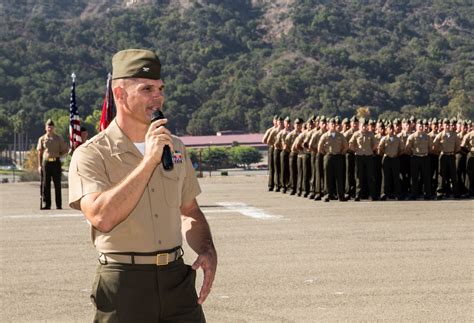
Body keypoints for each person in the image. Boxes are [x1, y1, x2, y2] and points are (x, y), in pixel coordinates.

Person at [68, 49, 217, 322]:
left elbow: (190, 212)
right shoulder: (91, 154)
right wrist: (148, 160)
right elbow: (102, 217)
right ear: (120, 94)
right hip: (124, 282)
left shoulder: (175, 147)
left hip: (176, 279)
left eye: (160, 88)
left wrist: (207, 249)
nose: (158, 96)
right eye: (147, 88)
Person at [37, 119, 68, 209]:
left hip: (56, 162)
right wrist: (39, 165)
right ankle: (47, 204)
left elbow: (65, 150)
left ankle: (59, 205)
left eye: (51, 126)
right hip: (46, 163)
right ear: (45, 128)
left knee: (57, 184)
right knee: (46, 184)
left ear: (54, 128)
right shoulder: (42, 139)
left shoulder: (58, 138)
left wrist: (58, 155)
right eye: (48, 126)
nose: (49, 128)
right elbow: (39, 152)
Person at [318, 118, 348, 202]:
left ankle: (340, 195)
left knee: (339, 177)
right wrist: (326, 153)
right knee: (328, 176)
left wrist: (341, 153)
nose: (334, 125)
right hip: (329, 157)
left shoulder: (340, 135)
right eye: (332, 124)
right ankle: (328, 194)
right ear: (328, 125)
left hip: (338, 156)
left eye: (335, 124)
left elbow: (346, 146)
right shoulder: (325, 135)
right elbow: (319, 147)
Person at [349, 118, 378, 201]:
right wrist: (356, 150)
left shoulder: (370, 134)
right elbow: (350, 144)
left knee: (370, 176)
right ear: (360, 126)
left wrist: (370, 150)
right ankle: (358, 194)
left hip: (368, 156)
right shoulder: (356, 134)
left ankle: (372, 195)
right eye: (363, 126)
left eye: (365, 126)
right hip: (359, 156)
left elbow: (376, 144)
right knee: (359, 176)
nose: (364, 127)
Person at [433, 118, 461, 199]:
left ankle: (456, 192)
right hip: (443, 156)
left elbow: (458, 146)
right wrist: (440, 151)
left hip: (451, 155)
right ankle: (440, 192)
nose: (447, 126)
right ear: (442, 125)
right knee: (441, 174)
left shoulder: (454, 135)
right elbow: (434, 146)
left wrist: (453, 152)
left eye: (448, 124)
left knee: (453, 174)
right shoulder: (440, 135)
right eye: (445, 124)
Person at [406, 119, 432, 200]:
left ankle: (427, 194)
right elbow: (408, 148)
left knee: (426, 177)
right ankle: (414, 194)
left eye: (422, 126)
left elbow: (430, 147)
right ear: (416, 127)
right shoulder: (412, 136)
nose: (421, 128)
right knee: (414, 177)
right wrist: (413, 154)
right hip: (415, 157)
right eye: (419, 126)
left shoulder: (427, 136)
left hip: (425, 157)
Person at [378, 123, 403, 200]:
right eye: (389, 128)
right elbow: (380, 149)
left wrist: (396, 155)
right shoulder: (384, 139)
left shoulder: (398, 139)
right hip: (387, 159)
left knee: (396, 177)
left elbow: (401, 149)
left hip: (395, 159)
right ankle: (384, 193)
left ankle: (397, 194)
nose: (391, 130)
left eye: (392, 128)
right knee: (386, 177)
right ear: (387, 130)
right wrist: (385, 154)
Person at [262, 115, 280, 191]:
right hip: (273, 149)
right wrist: (272, 144)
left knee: (280, 168)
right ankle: (271, 184)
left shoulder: (281, 130)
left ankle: (279, 184)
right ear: (273, 121)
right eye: (275, 120)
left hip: (280, 149)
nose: (277, 122)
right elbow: (264, 140)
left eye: (278, 121)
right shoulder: (270, 130)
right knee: (272, 168)